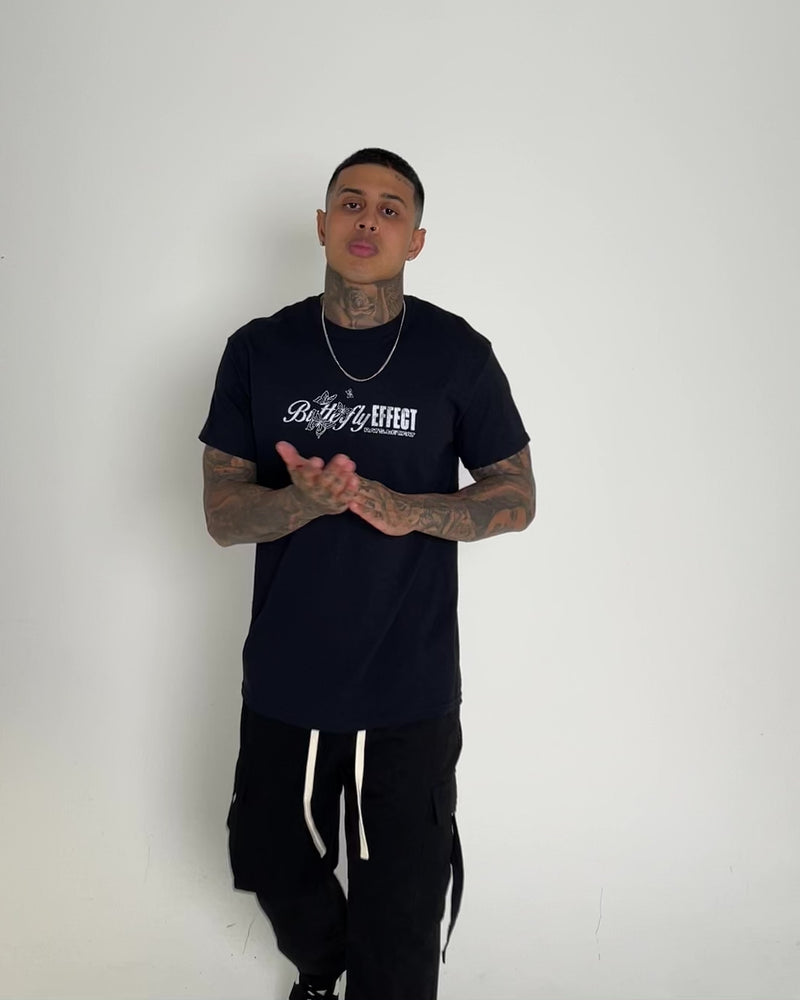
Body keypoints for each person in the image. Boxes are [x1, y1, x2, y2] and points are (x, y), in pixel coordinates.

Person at [198, 147, 535, 1000]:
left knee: (403, 908)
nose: (368, 220)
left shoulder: (456, 353)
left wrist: (409, 507)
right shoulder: (258, 350)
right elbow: (222, 515)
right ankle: (324, 966)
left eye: (391, 209)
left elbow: (517, 495)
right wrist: (300, 503)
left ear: (415, 240)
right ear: (322, 225)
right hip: (289, 676)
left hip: (407, 685)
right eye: (351, 203)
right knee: (268, 855)